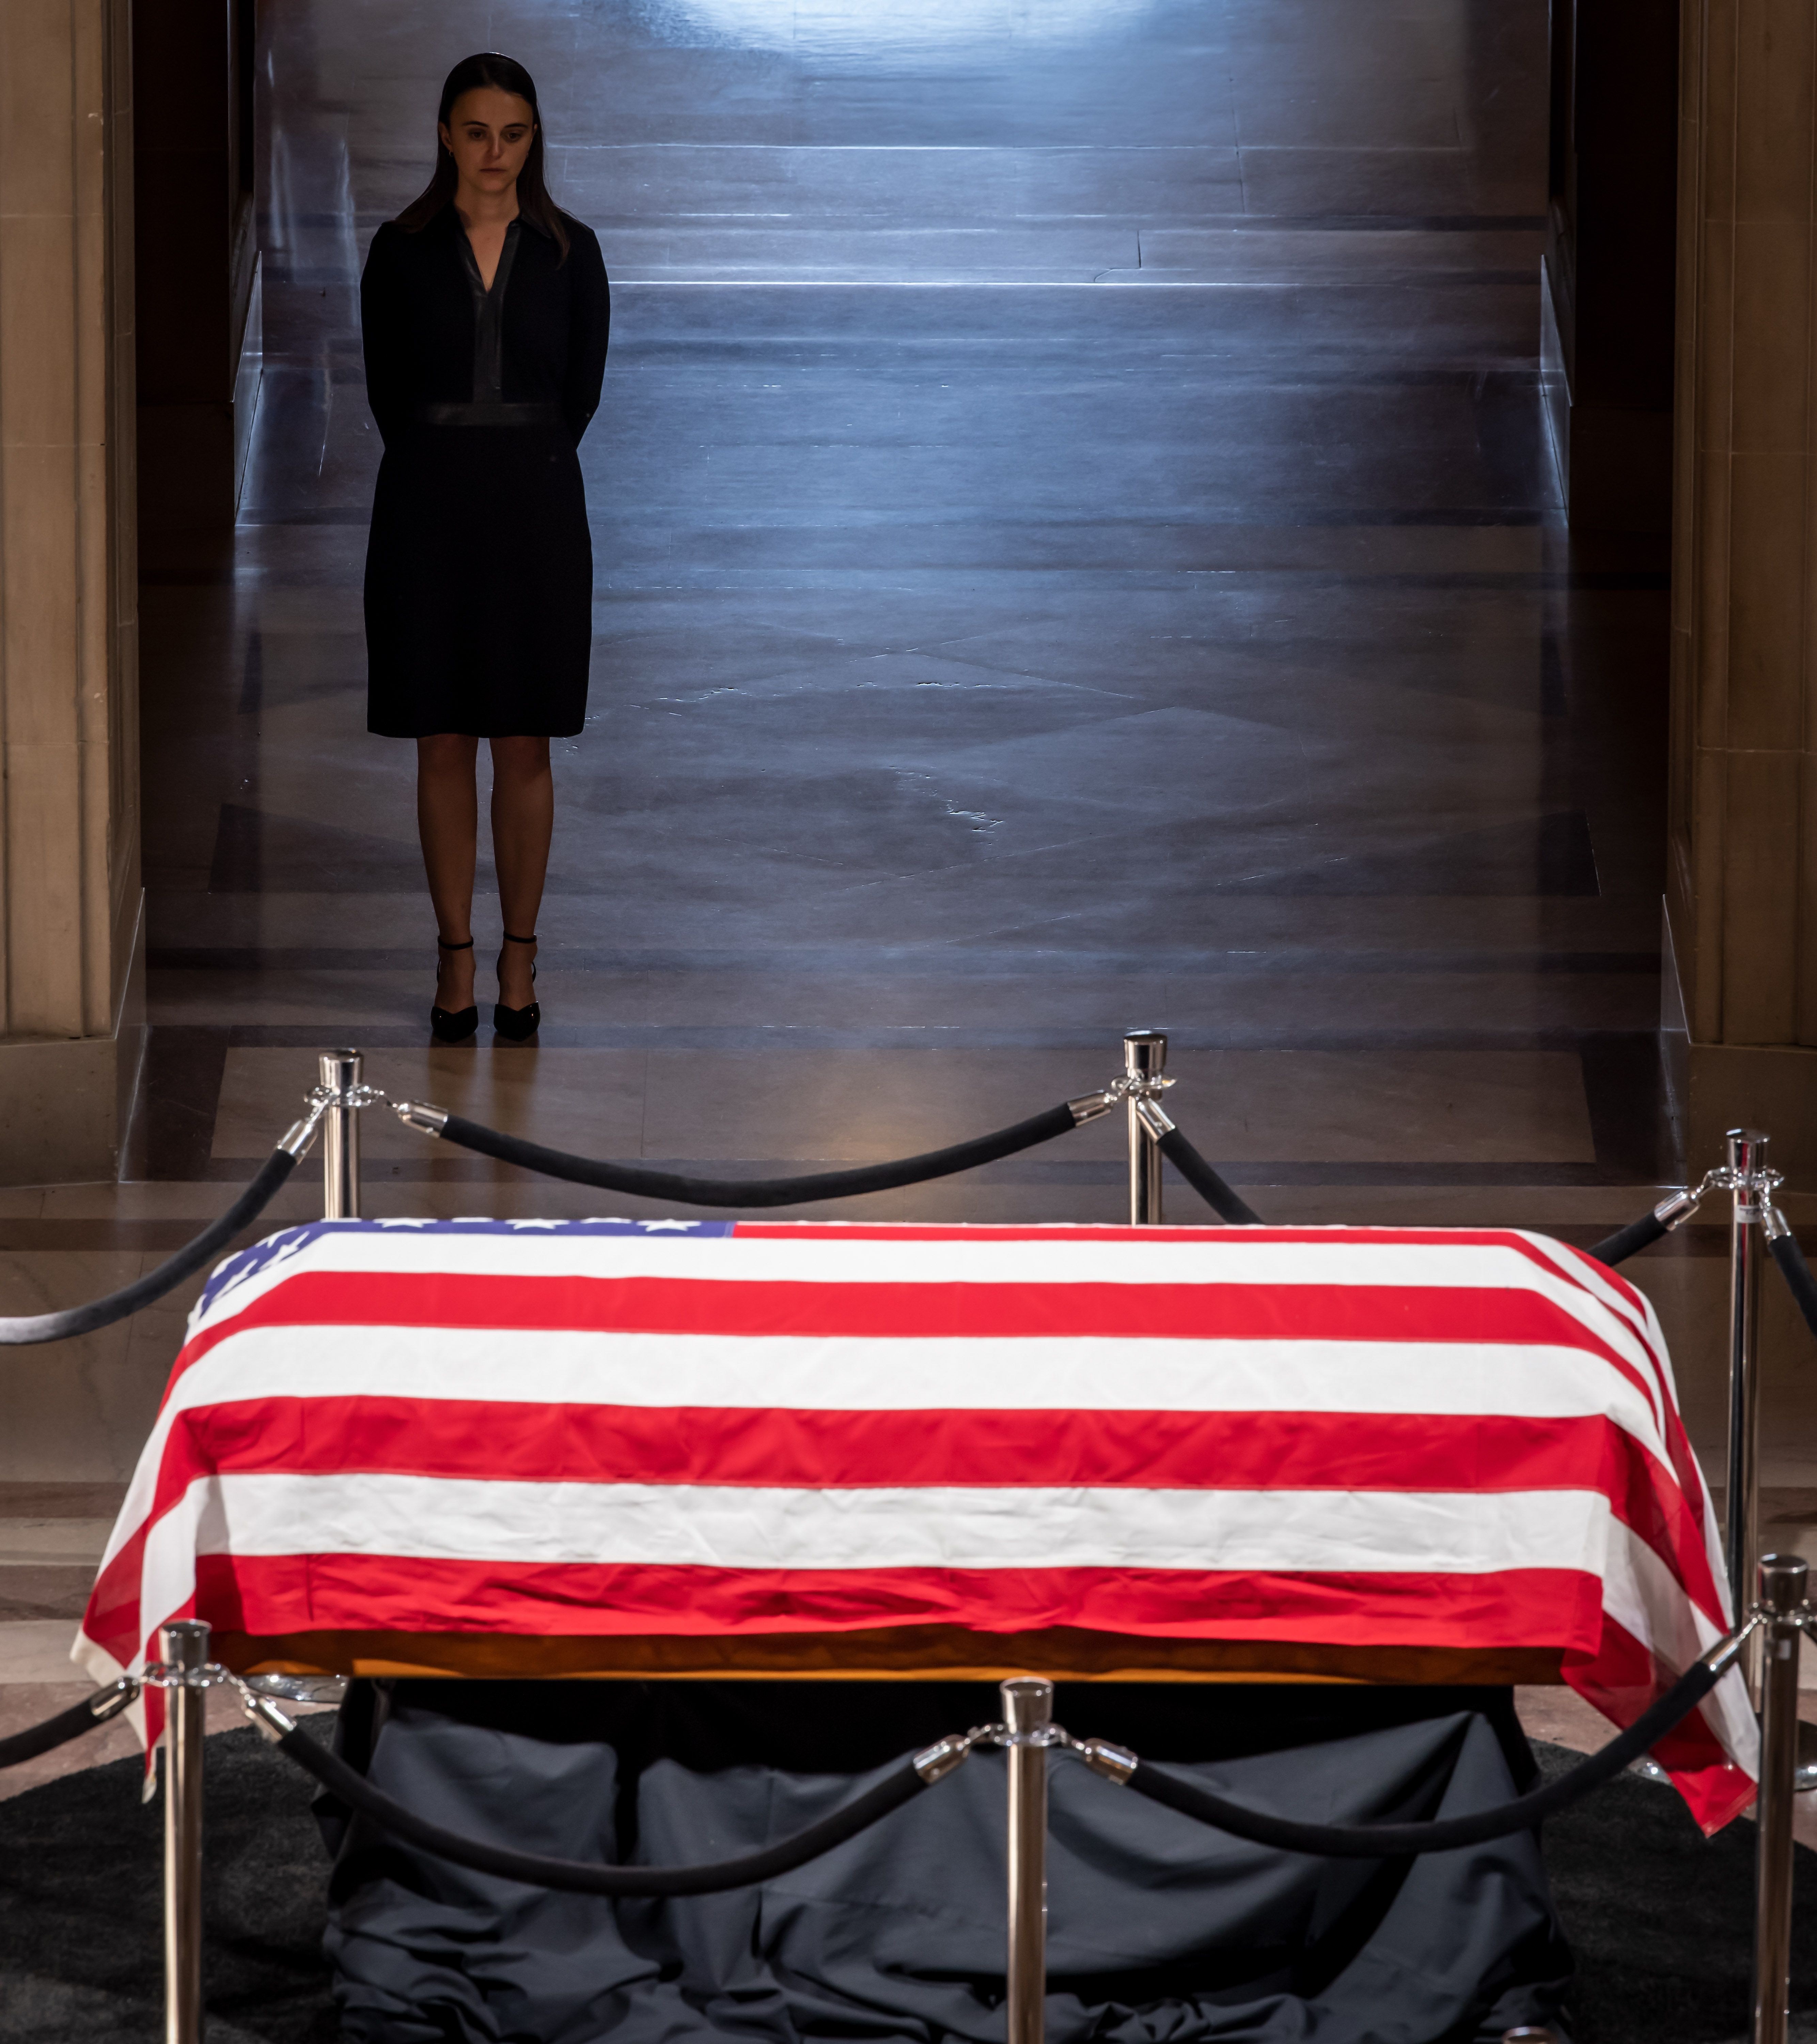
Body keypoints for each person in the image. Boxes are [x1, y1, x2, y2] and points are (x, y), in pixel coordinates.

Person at [360, 53, 609, 1041]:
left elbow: (578, 395)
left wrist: (524, 462)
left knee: (526, 741)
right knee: (441, 740)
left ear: (534, 138)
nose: (495, 152)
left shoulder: (571, 253)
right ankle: (455, 956)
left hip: (539, 516)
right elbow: (388, 394)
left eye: (513, 134)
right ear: (445, 136)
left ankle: (522, 955)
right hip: (426, 513)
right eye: (477, 132)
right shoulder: (400, 250)